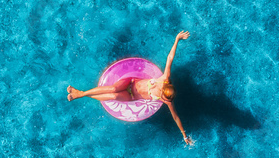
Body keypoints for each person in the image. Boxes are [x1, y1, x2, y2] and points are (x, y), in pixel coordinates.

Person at [67, 31, 195, 147]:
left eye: (163, 96)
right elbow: (170, 58)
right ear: (165, 86)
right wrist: (177, 39)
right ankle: (80, 94)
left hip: (132, 97)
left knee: (114, 96)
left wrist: (184, 135)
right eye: (162, 92)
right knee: (112, 89)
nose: (161, 95)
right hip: (130, 83)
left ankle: (80, 93)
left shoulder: (167, 101)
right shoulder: (164, 78)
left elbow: (176, 117)